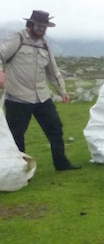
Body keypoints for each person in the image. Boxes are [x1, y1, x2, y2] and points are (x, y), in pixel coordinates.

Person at [0, 10, 80, 171]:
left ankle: (61, 163)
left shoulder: (44, 45)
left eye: (45, 27)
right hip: (17, 97)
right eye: (39, 26)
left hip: (42, 97)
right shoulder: (18, 39)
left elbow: (52, 70)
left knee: (55, 128)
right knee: (17, 135)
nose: (42, 30)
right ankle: (19, 170)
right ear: (31, 24)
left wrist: (62, 91)